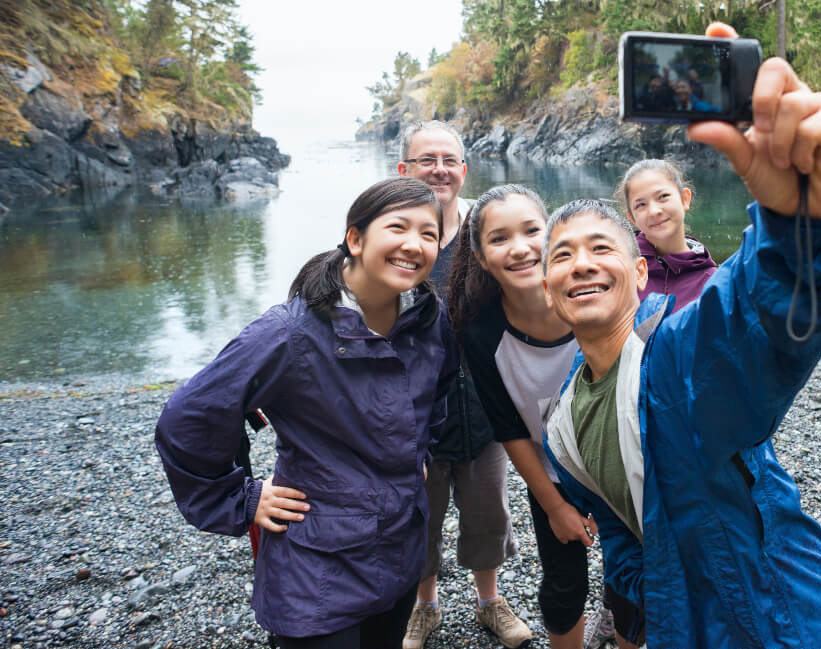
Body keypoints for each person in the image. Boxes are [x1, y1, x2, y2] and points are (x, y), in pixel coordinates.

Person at [539, 22, 821, 649]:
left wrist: (807, 221)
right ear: (547, 289)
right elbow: (619, 527)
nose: (583, 264)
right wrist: (652, 588)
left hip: (784, 618)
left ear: (641, 273)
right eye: (562, 257)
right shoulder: (561, 422)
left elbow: (756, 314)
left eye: (601, 248)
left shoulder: (674, 359)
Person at [155, 177, 457, 649]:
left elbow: (439, 389)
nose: (414, 245)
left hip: (399, 544)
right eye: (398, 227)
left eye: (429, 234)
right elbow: (188, 416)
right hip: (316, 561)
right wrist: (242, 498)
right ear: (355, 239)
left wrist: (421, 449)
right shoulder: (292, 332)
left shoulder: (427, 317)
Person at [445, 184, 618, 649]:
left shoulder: (590, 297)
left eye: (532, 231)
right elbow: (509, 428)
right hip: (555, 475)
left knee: (632, 580)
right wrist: (555, 506)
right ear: (480, 257)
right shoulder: (482, 335)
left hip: (626, 467)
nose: (520, 248)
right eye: (499, 238)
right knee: (564, 588)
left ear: (553, 235)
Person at [396, 121, 532, 649]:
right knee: (420, 514)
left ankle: (489, 601)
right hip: (411, 411)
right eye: (426, 159)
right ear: (404, 169)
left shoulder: (486, 228)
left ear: (464, 168)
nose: (439, 169)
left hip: (486, 401)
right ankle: (423, 607)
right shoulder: (393, 231)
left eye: (449, 159)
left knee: (487, 511)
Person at [614, 159, 717, 312]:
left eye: (662, 197)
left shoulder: (711, 281)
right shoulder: (619, 268)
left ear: (685, 199)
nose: (654, 211)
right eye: (641, 205)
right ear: (631, 218)